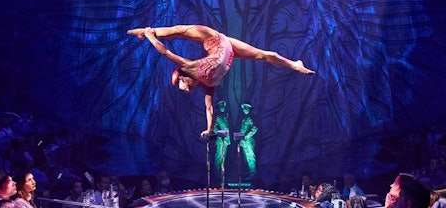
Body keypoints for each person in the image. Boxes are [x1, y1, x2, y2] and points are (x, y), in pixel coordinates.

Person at [128, 25, 314, 137]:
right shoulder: (207, 85)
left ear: (183, 77)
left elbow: (165, 52)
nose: (183, 89)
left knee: (179, 31)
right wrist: (209, 129)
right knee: (261, 55)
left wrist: (151, 37)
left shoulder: (189, 67)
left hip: (213, 39)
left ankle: (146, 31)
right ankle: (295, 65)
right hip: (229, 49)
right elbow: (209, 109)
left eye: (180, 85)